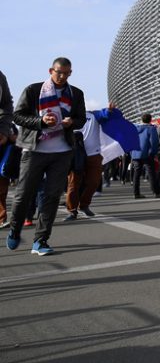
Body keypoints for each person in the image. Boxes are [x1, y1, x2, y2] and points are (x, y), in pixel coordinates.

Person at [6, 58, 86, 255]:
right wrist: (41, 121)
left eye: (67, 73)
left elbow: (81, 119)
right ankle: (15, 230)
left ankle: (40, 240)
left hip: (62, 152)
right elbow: (18, 115)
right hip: (34, 150)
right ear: (51, 70)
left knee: (51, 196)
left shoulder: (76, 93)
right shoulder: (34, 90)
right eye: (59, 72)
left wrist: (71, 122)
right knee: (23, 195)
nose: (62, 76)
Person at [133, 113, 159, 199]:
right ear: (150, 119)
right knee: (151, 173)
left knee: (136, 174)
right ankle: (155, 192)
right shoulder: (151, 129)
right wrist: (153, 152)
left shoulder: (136, 129)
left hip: (136, 153)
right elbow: (154, 142)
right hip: (147, 153)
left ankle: (136, 193)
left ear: (142, 120)